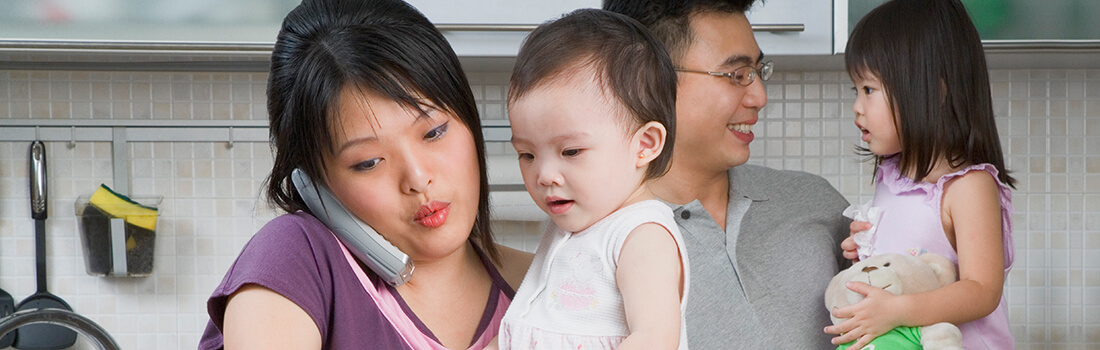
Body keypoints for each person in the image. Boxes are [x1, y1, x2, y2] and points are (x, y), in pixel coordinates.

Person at [197, 0, 532, 348]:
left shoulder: (545, 284)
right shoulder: (292, 259)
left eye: (434, 132)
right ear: (313, 182)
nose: (417, 179)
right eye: (368, 162)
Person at [604, 0, 852, 348]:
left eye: (757, 72)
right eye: (737, 75)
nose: (759, 96)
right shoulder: (605, 241)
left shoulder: (814, 202)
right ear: (649, 80)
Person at [496, 9, 689, 350]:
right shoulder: (572, 229)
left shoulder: (642, 236)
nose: (544, 175)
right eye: (527, 155)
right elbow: (527, 330)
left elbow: (655, 339)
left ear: (644, 146)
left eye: (570, 152)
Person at [828, 0, 1017, 349]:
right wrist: (865, 256)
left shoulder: (969, 187)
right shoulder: (891, 180)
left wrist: (896, 310)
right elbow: (909, 270)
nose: (857, 106)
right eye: (855, 90)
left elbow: (982, 291)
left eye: (868, 89)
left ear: (935, 89)